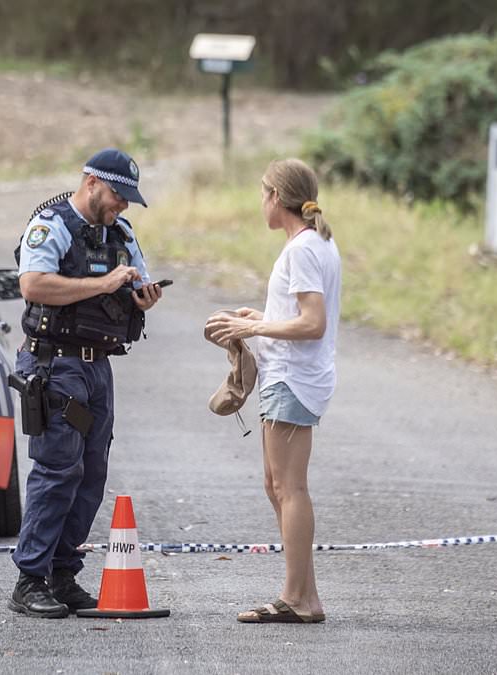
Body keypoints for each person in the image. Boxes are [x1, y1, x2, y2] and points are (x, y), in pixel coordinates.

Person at [8, 148, 163, 618]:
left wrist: (143, 298)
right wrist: (101, 284)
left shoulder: (121, 234)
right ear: (92, 182)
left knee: (91, 473)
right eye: (118, 195)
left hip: (98, 367)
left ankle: (62, 574)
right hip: (56, 364)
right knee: (57, 470)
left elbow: (136, 283)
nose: (123, 206)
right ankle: (30, 579)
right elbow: (33, 285)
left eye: (128, 199)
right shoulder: (50, 224)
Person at [205, 158, 340, 624]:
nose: (260, 203)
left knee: (289, 487)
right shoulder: (313, 244)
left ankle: (295, 599)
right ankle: (307, 595)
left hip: (293, 378)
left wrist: (253, 324)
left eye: (262, 194)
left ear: (276, 199)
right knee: (276, 484)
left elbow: (312, 322)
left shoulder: (302, 249)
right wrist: (257, 317)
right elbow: (297, 311)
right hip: (291, 375)